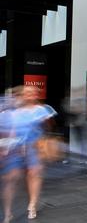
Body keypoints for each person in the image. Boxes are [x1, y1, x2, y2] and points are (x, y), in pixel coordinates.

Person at [1, 86, 57, 222]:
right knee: (10, 179)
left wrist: (44, 137)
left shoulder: (42, 110)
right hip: (15, 147)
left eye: (32, 93)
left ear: (36, 95)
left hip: (33, 146)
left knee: (33, 174)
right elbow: (11, 130)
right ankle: (7, 212)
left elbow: (50, 126)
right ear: (23, 95)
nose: (29, 95)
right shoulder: (15, 111)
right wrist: (5, 148)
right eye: (27, 93)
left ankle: (32, 204)